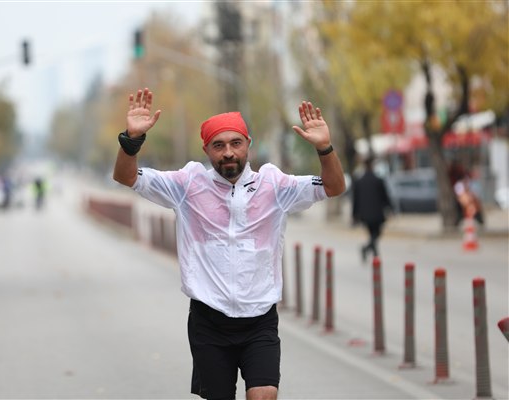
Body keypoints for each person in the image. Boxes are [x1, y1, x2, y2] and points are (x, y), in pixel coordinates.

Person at [113, 88, 346, 400]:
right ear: (206, 149)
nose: (228, 153)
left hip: (260, 320)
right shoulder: (187, 185)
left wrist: (325, 149)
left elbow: (334, 186)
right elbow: (125, 176)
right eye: (218, 145)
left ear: (248, 144)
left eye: (236, 143)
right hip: (209, 321)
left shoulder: (275, 185)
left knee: (264, 394)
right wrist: (131, 140)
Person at [352, 156, 392, 263]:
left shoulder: (359, 181)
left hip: (364, 214)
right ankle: (368, 250)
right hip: (377, 213)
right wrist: (390, 208)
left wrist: (354, 215)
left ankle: (373, 253)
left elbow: (355, 200)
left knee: (372, 234)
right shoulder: (378, 180)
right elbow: (385, 197)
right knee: (376, 234)